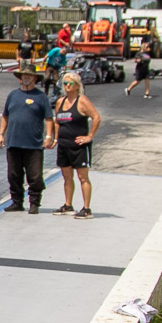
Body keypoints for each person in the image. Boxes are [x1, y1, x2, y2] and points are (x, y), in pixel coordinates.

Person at [0, 63, 56, 214]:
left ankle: (34, 203)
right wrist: (1, 134)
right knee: (13, 175)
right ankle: (17, 202)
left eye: (29, 75)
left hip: (33, 144)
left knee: (35, 176)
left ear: (35, 78)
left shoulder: (41, 97)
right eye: (24, 75)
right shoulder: (13, 95)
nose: (26, 77)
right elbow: (5, 116)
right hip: (14, 142)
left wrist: (48, 137)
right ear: (20, 77)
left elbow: (49, 118)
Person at [52, 72, 101, 219]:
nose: (67, 86)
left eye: (70, 83)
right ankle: (68, 205)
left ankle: (86, 208)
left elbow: (96, 117)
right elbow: (57, 121)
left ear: (77, 86)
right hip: (64, 145)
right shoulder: (60, 102)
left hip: (78, 146)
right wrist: (55, 138)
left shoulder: (82, 101)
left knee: (82, 177)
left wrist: (89, 136)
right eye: (65, 83)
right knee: (67, 176)